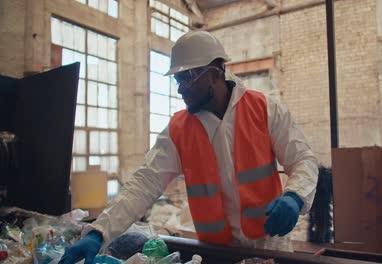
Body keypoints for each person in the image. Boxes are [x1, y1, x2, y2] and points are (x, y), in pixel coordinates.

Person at [59, 30, 318, 264]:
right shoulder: (178, 130)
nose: (181, 89)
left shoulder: (265, 110)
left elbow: (302, 159)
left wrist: (294, 196)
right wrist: (99, 232)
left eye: (188, 78)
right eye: (177, 80)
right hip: (217, 252)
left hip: (268, 243)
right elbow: (144, 184)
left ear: (216, 73)